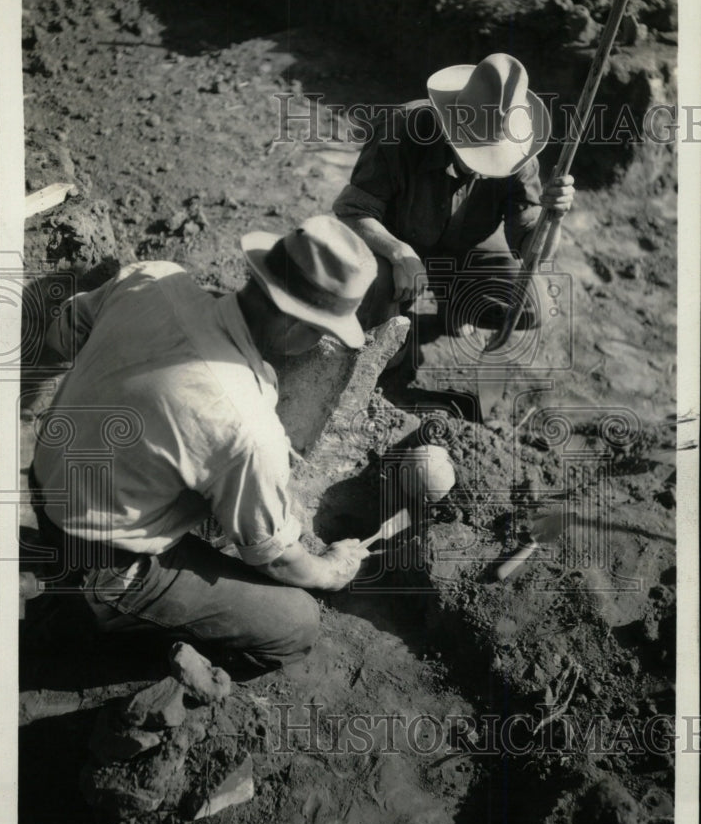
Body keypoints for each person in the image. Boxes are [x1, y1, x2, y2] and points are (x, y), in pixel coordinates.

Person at [29, 216, 376, 672]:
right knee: (295, 622)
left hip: (43, 485)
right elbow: (277, 561)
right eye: (320, 332)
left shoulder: (153, 278)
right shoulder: (246, 424)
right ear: (296, 325)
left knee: (209, 496)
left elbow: (64, 332)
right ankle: (91, 634)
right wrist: (333, 568)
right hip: (100, 562)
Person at [333, 53, 575, 334]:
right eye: (474, 152)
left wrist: (554, 219)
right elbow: (352, 211)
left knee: (534, 307)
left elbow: (531, 252)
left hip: (465, 248)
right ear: (448, 127)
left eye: (491, 155)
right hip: (397, 247)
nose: (482, 166)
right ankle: (384, 321)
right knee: (386, 349)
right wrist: (398, 253)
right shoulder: (399, 131)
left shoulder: (518, 157)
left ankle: (456, 303)